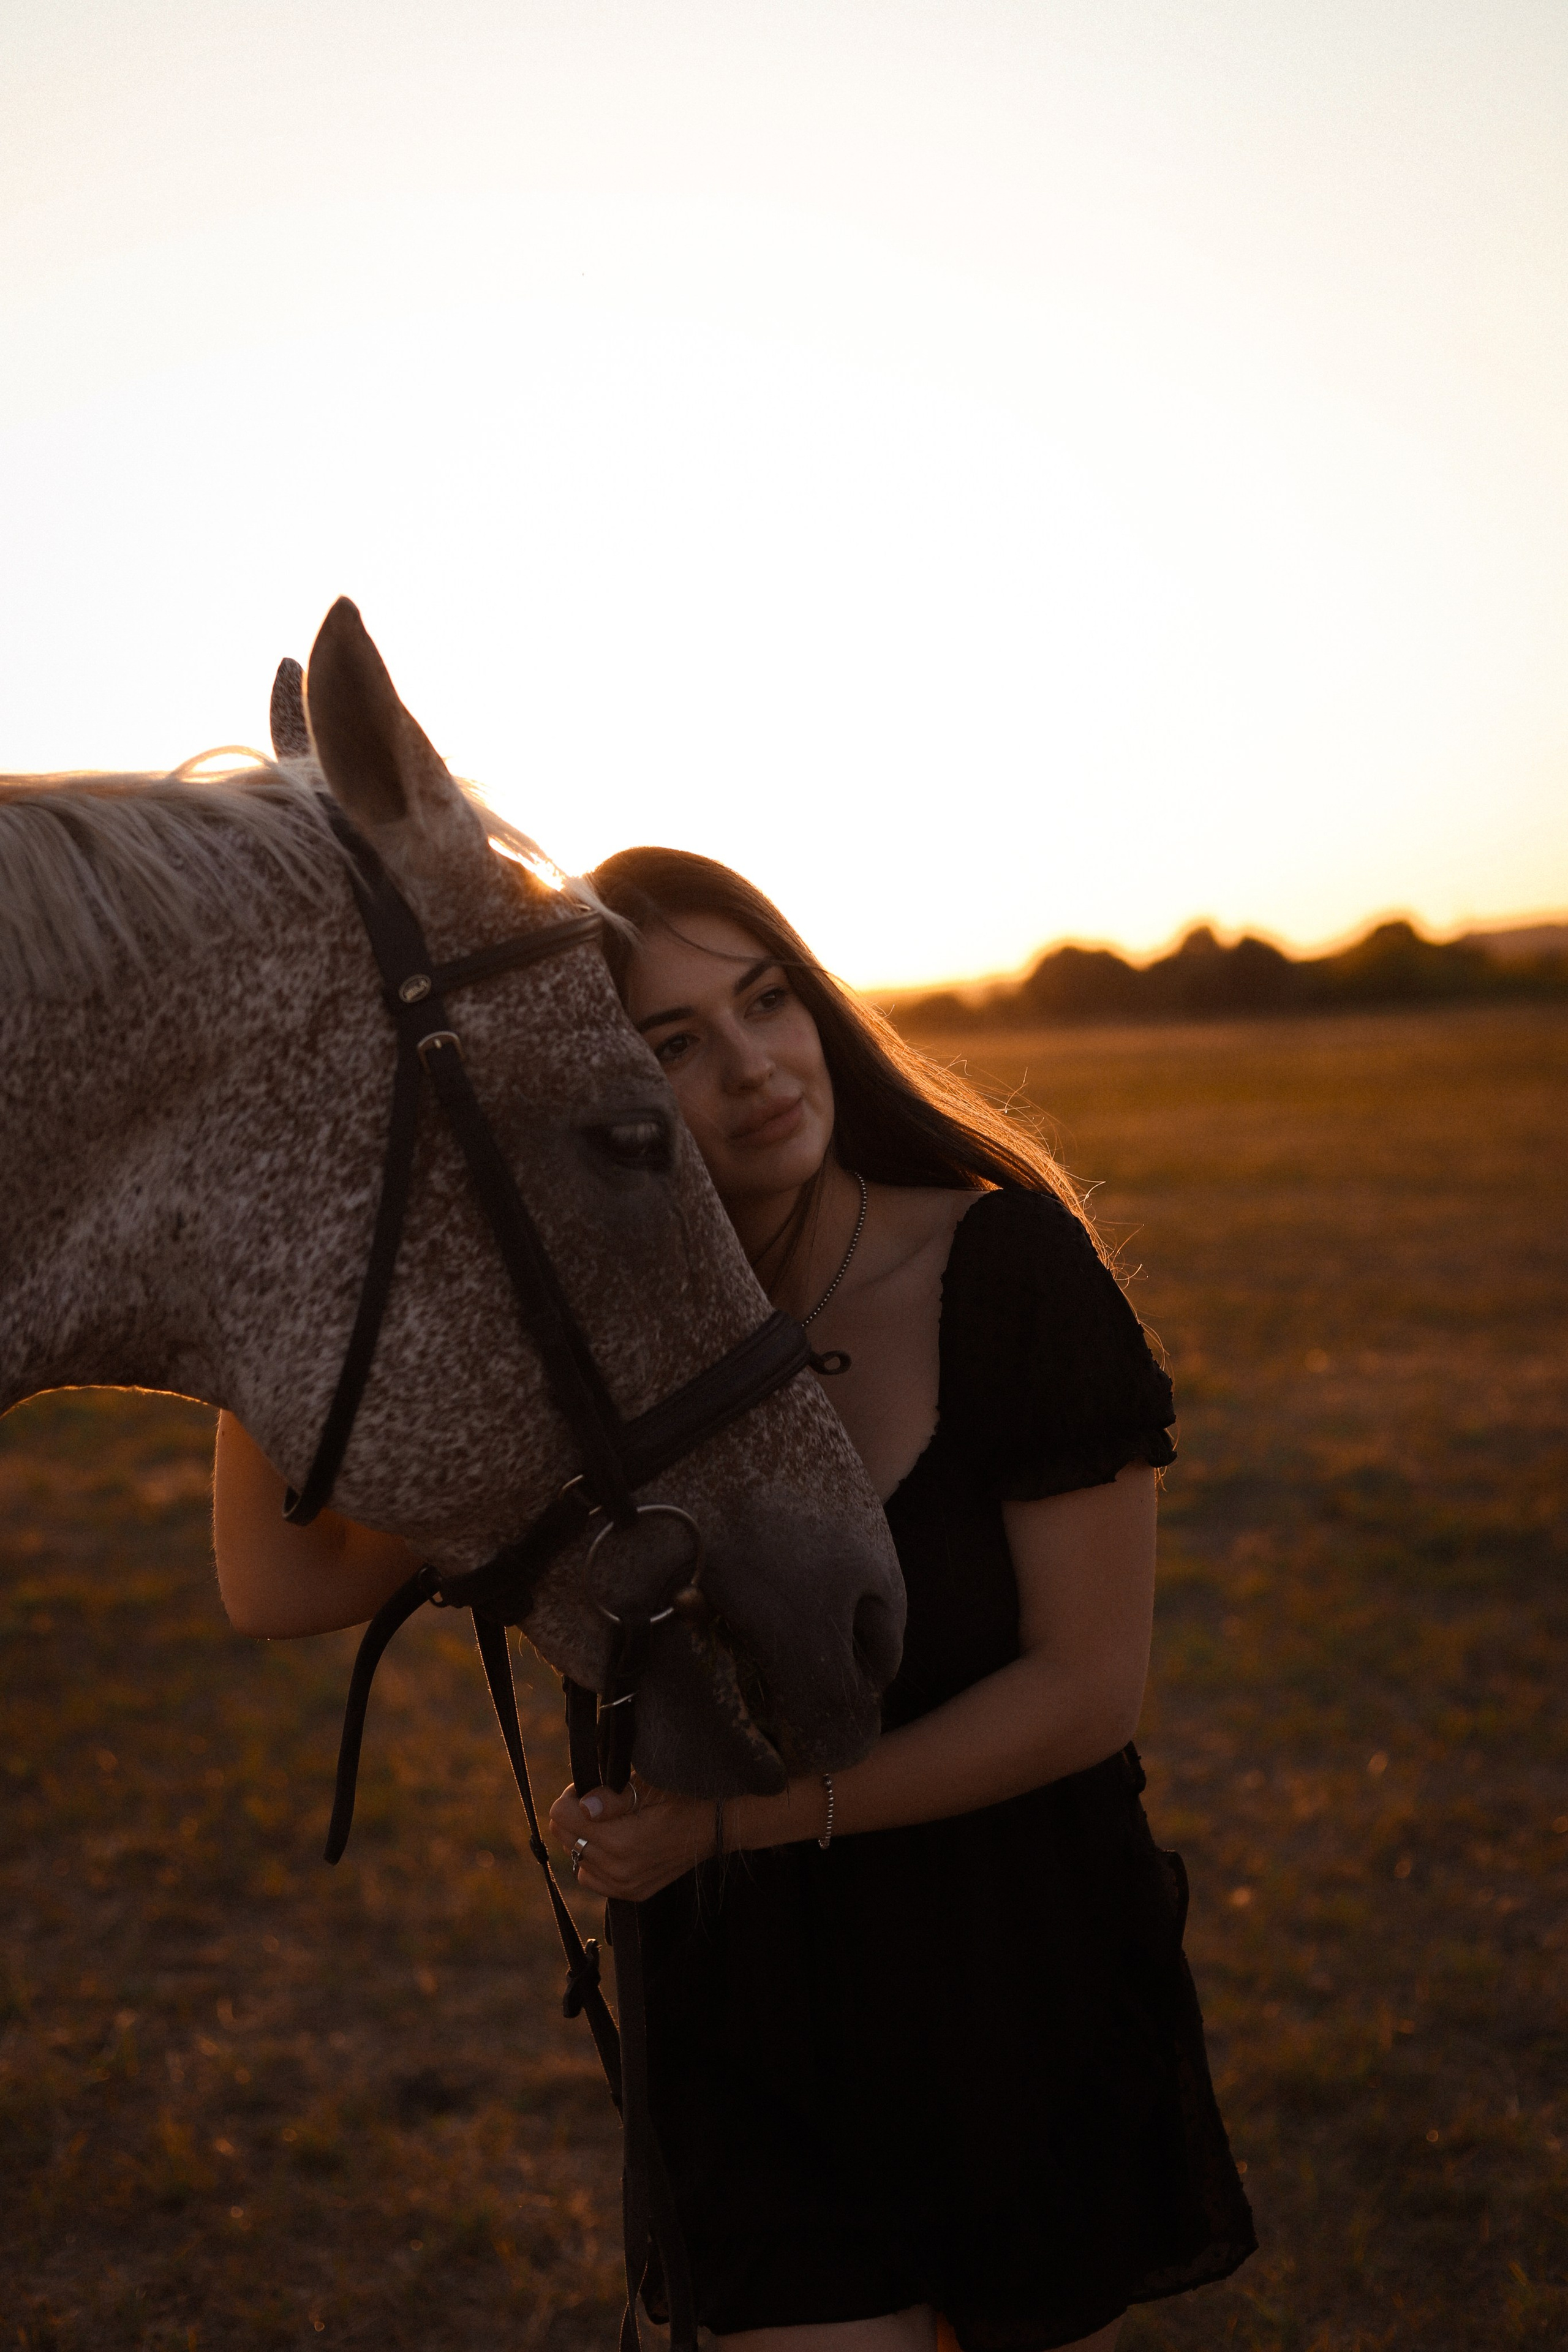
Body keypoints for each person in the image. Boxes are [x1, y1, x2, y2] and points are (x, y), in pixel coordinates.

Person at [211, 846, 1255, 2352]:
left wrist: (730, 1828)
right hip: (741, 2007)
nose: (755, 1065)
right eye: (674, 1044)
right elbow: (279, 1580)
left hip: (1010, 1961)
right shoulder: (589, 1353)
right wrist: (291, 1224)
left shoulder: (1004, 1267)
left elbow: (1084, 1693)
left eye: (766, 1001)